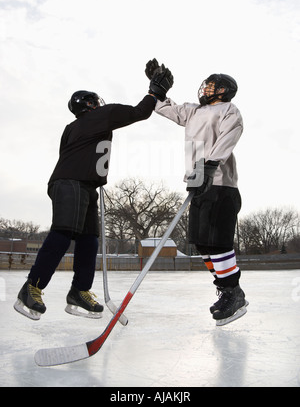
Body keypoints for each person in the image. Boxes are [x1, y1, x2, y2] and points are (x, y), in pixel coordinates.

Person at [14, 65, 174, 320]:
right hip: (72, 183)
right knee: (63, 233)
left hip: (84, 185)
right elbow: (139, 112)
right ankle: (31, 287)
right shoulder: (98, 116)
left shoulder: (76, 126)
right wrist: (155, 93)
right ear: (89, 105)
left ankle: (79, 291)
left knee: (89, 239)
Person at [145, 59, 248, 326]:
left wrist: (209, 165)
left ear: (224, 90)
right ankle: (227, 288)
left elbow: (229, 137)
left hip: (219, 184)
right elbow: (165, 108)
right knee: (201, 243)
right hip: (197, 182)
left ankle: (232, 292)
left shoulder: (229, 110)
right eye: (206, 84)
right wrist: (156, 89)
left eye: (212, 85)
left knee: (218, 242)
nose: (206, 88)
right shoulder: (193, 111)